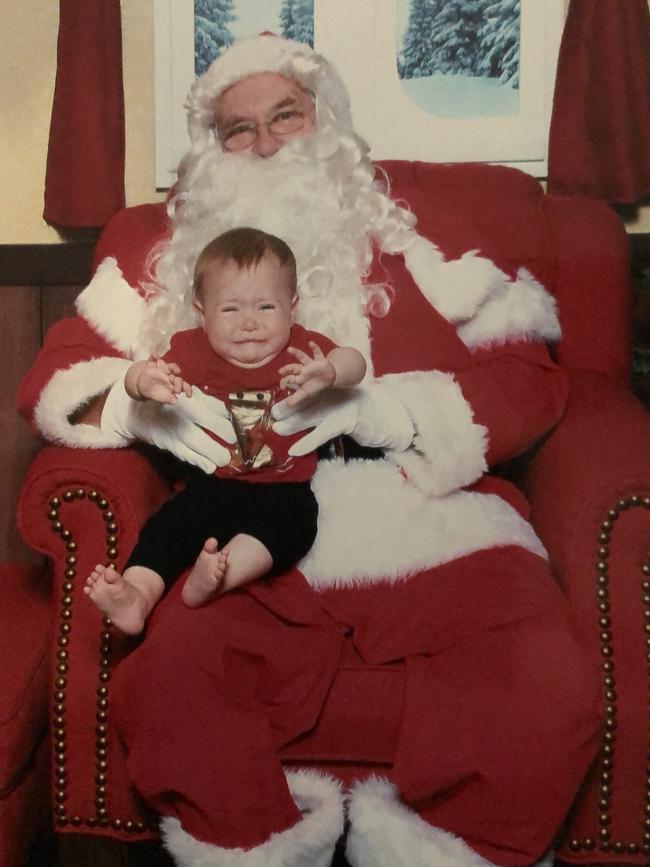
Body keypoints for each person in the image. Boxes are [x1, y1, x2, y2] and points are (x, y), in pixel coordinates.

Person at [17, 34, 602, 867]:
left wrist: (388, 408)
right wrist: (145, 412)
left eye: (284, 117)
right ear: (210, 152)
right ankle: (252, 846)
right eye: (238, 129)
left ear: (325, 122)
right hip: (239, 521)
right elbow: (60, 374)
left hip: (422, 510)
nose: (263, 146)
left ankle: (445, 851)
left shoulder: (425, 236)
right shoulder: (158, 254)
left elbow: (531, 380)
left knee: (546, 676)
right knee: (169, 677)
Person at [83, 227, 366, 633]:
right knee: (170, 526)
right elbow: (137, 378)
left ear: (292, 306)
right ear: (202, 313)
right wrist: (143, 382)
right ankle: (137, 594)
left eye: (266, 307)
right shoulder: (191, 350)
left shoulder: (303, 350)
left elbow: (356, 364)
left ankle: (220, 576)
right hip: (210, 486)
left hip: (282, 489)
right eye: (230, 310)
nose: (249, 324)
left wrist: (333, 370)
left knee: (295, 524)